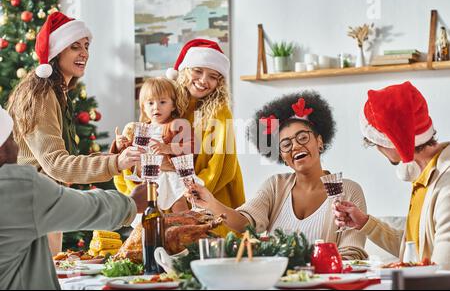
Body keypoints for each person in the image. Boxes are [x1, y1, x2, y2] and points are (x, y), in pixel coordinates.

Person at [6, 12, 144, 255]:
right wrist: (115, 163)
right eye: (75, 47)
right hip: (30, 211)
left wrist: (114, 159)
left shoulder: (55, 92)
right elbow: (56, 164)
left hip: (40, 206)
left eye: (86, 46)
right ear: (57, 51)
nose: (84, 53)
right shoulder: (40, 94)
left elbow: (61, 158)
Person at [186, 91, 368, 260]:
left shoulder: (348, 190)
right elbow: (244, 224)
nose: (295, 146)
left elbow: (352, 253)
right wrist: (211, 202)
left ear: (319, 141)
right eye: (286, 144)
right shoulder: (275, 186)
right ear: (283, 157)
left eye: (302, 137)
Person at [0, 107, 148, 289]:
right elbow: (87, 207)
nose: (17, 146)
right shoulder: (18, 187)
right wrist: (131, 203)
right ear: (2, 149)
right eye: (12, 140)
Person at [333, 81, 450, 269]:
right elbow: (415, 252)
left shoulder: (446, 185)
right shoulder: (427, 177)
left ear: (392, 142)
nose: (378, 149)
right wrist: (364, 222)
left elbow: (443, 271)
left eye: (375, 143)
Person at [166, 39, 245, 209]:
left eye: (213, 77)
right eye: (197, 71)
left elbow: (222, 166)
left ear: (219, 82)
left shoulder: (220, 111)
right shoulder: (166, 104)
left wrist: (191, 193)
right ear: (185, 71)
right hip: (172, 199)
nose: (203, 80)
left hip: (212, 197)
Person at [113, 77, 201, 224]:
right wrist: (120, 144)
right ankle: (151, 234)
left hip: (170, 174)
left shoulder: (177, 125)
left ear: (173, 105)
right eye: (150, 103)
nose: (156, 107)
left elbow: (192, 146)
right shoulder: (141, 129)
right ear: (143, 107)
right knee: (146, 209)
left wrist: (167, 148)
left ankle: (187, 227)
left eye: (162, 102)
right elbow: (131, 152)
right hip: (149, 176)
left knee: (178, 201)